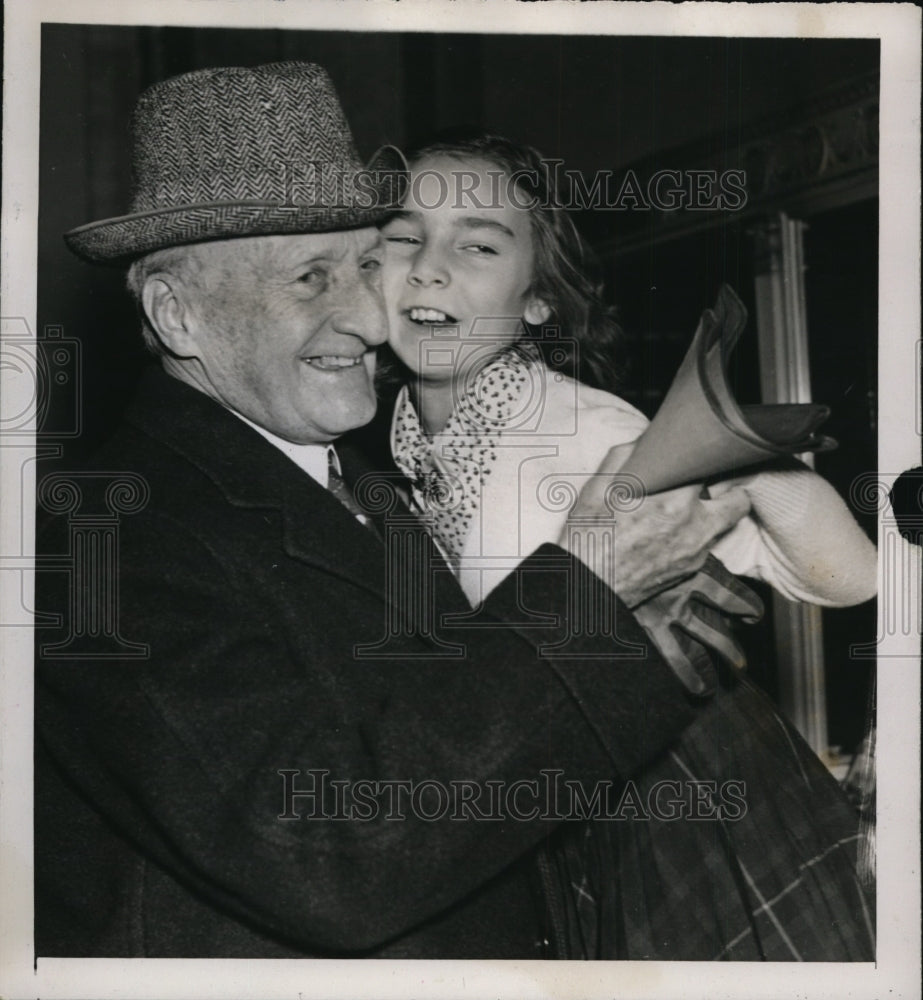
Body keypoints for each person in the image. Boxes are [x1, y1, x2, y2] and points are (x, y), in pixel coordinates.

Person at [34, 63, 754, 959]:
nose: (372, 322)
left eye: (368, 265)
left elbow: (452, 744)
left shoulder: (367, 477)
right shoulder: (97, 540)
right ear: (178, 316)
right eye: (309, 279)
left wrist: (626, 636)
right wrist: (586, 589)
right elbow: (327, 856)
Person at [380, 132, 878, 959]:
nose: (430, 266)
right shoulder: (391, 451)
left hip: (678, 801)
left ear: (537, 301)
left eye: (477, 243)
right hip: (560, 807)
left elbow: (851, 577)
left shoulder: (587, 429)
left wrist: (743, 467)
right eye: (404, 238)